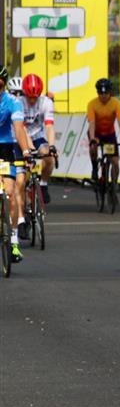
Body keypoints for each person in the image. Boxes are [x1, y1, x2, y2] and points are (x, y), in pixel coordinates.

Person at [0, 67, 32, 263]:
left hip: (5, 149)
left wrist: (26, 152)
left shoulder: (13, 102)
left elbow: (19, 129)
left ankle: (13, 243)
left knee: (11, 194)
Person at [17, 74, 56, 205]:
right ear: (24, 94)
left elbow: (49, 126)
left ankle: (43, 184)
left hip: (37, 135)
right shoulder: (18, 102)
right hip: (21, 136)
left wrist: (51, 146)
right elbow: (21, 129)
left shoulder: (46, 102)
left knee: (49, 159)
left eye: (35, 97)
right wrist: (31, 150)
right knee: (25, 166)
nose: (32, 100)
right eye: (29, 97)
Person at [86, 78, 120, 188]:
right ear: (97, 92)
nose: (103, 96)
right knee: (93, 147)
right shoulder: (92, 104)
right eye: (101, 93)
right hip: (96, 132)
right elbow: (92, 123)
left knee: (115, 162)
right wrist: (92, 140)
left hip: (109, 134)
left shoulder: (115, 103)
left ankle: (114, 186)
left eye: (106, 93)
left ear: (110, 92)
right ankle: (95, 167)